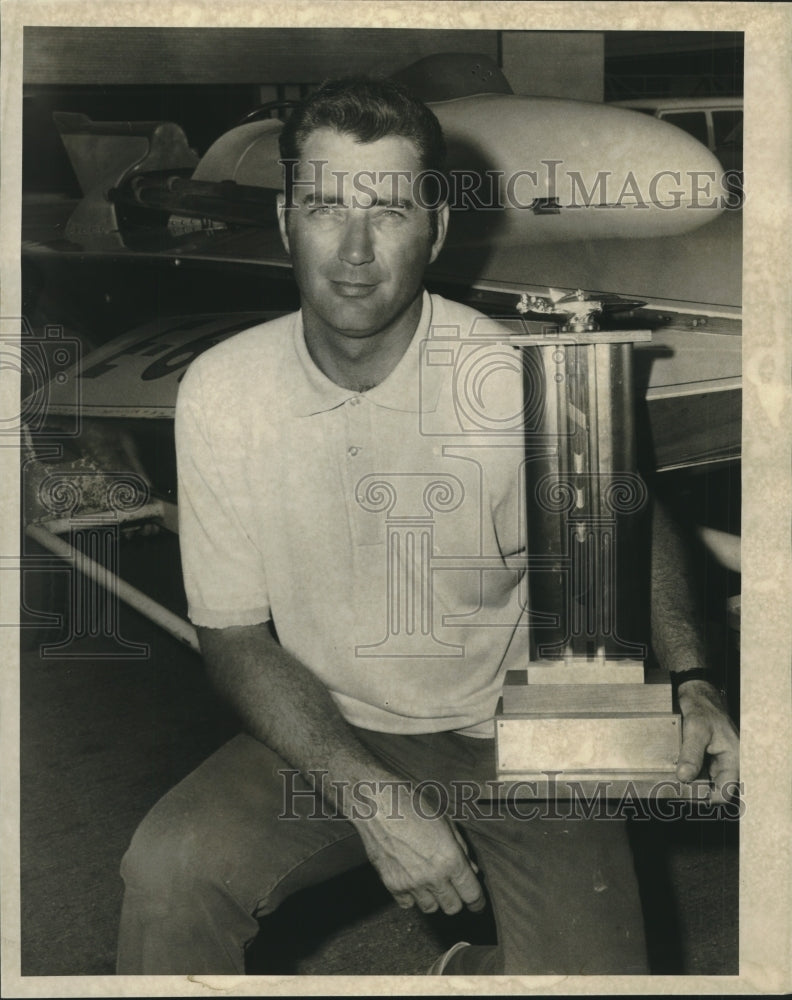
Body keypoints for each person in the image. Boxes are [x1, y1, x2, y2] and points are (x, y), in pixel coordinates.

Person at [116, 77, 740, 976]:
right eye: (328, 206)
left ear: (437, 229)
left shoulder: (521, 378)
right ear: (289, 219)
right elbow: (234, 637)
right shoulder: (221, 391)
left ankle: (478, 974)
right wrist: (370, 796)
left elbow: (631, 522)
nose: (358, 250)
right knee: (168, 870)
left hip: (517, 736)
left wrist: (692, 679)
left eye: (392, 211)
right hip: (324, 723)